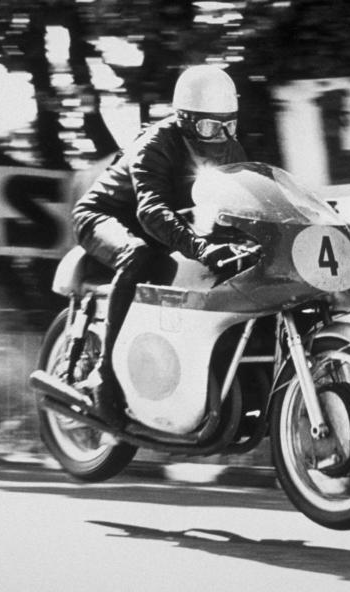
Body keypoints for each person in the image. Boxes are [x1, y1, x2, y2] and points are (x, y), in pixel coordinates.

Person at [71, 64, 247, 427]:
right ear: (184, 118)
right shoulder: (156, 142)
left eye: (228, 124)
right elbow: (151, 210)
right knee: (139, 256)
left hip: (164, 227)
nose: (220, 136)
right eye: (209, 126)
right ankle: (105, 375)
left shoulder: (231, 149)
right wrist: (199, 246)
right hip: (105, 216)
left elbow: (243, 205)